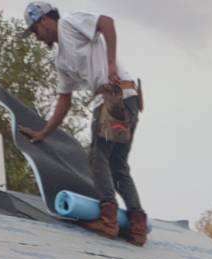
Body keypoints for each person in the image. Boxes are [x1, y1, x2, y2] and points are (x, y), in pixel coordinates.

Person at [18, 5, 147, 246]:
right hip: (126, 99)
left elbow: (106, 22)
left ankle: (108, 219)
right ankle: (138, 226)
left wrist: (110, 64)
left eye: (35, 30)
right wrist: (43, 133)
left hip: (115, 95)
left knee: (98, 157)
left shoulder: (69, 24)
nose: (36, 37)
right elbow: (64, 100)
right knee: (117, 165)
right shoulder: (61, 61)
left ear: (44, 20)